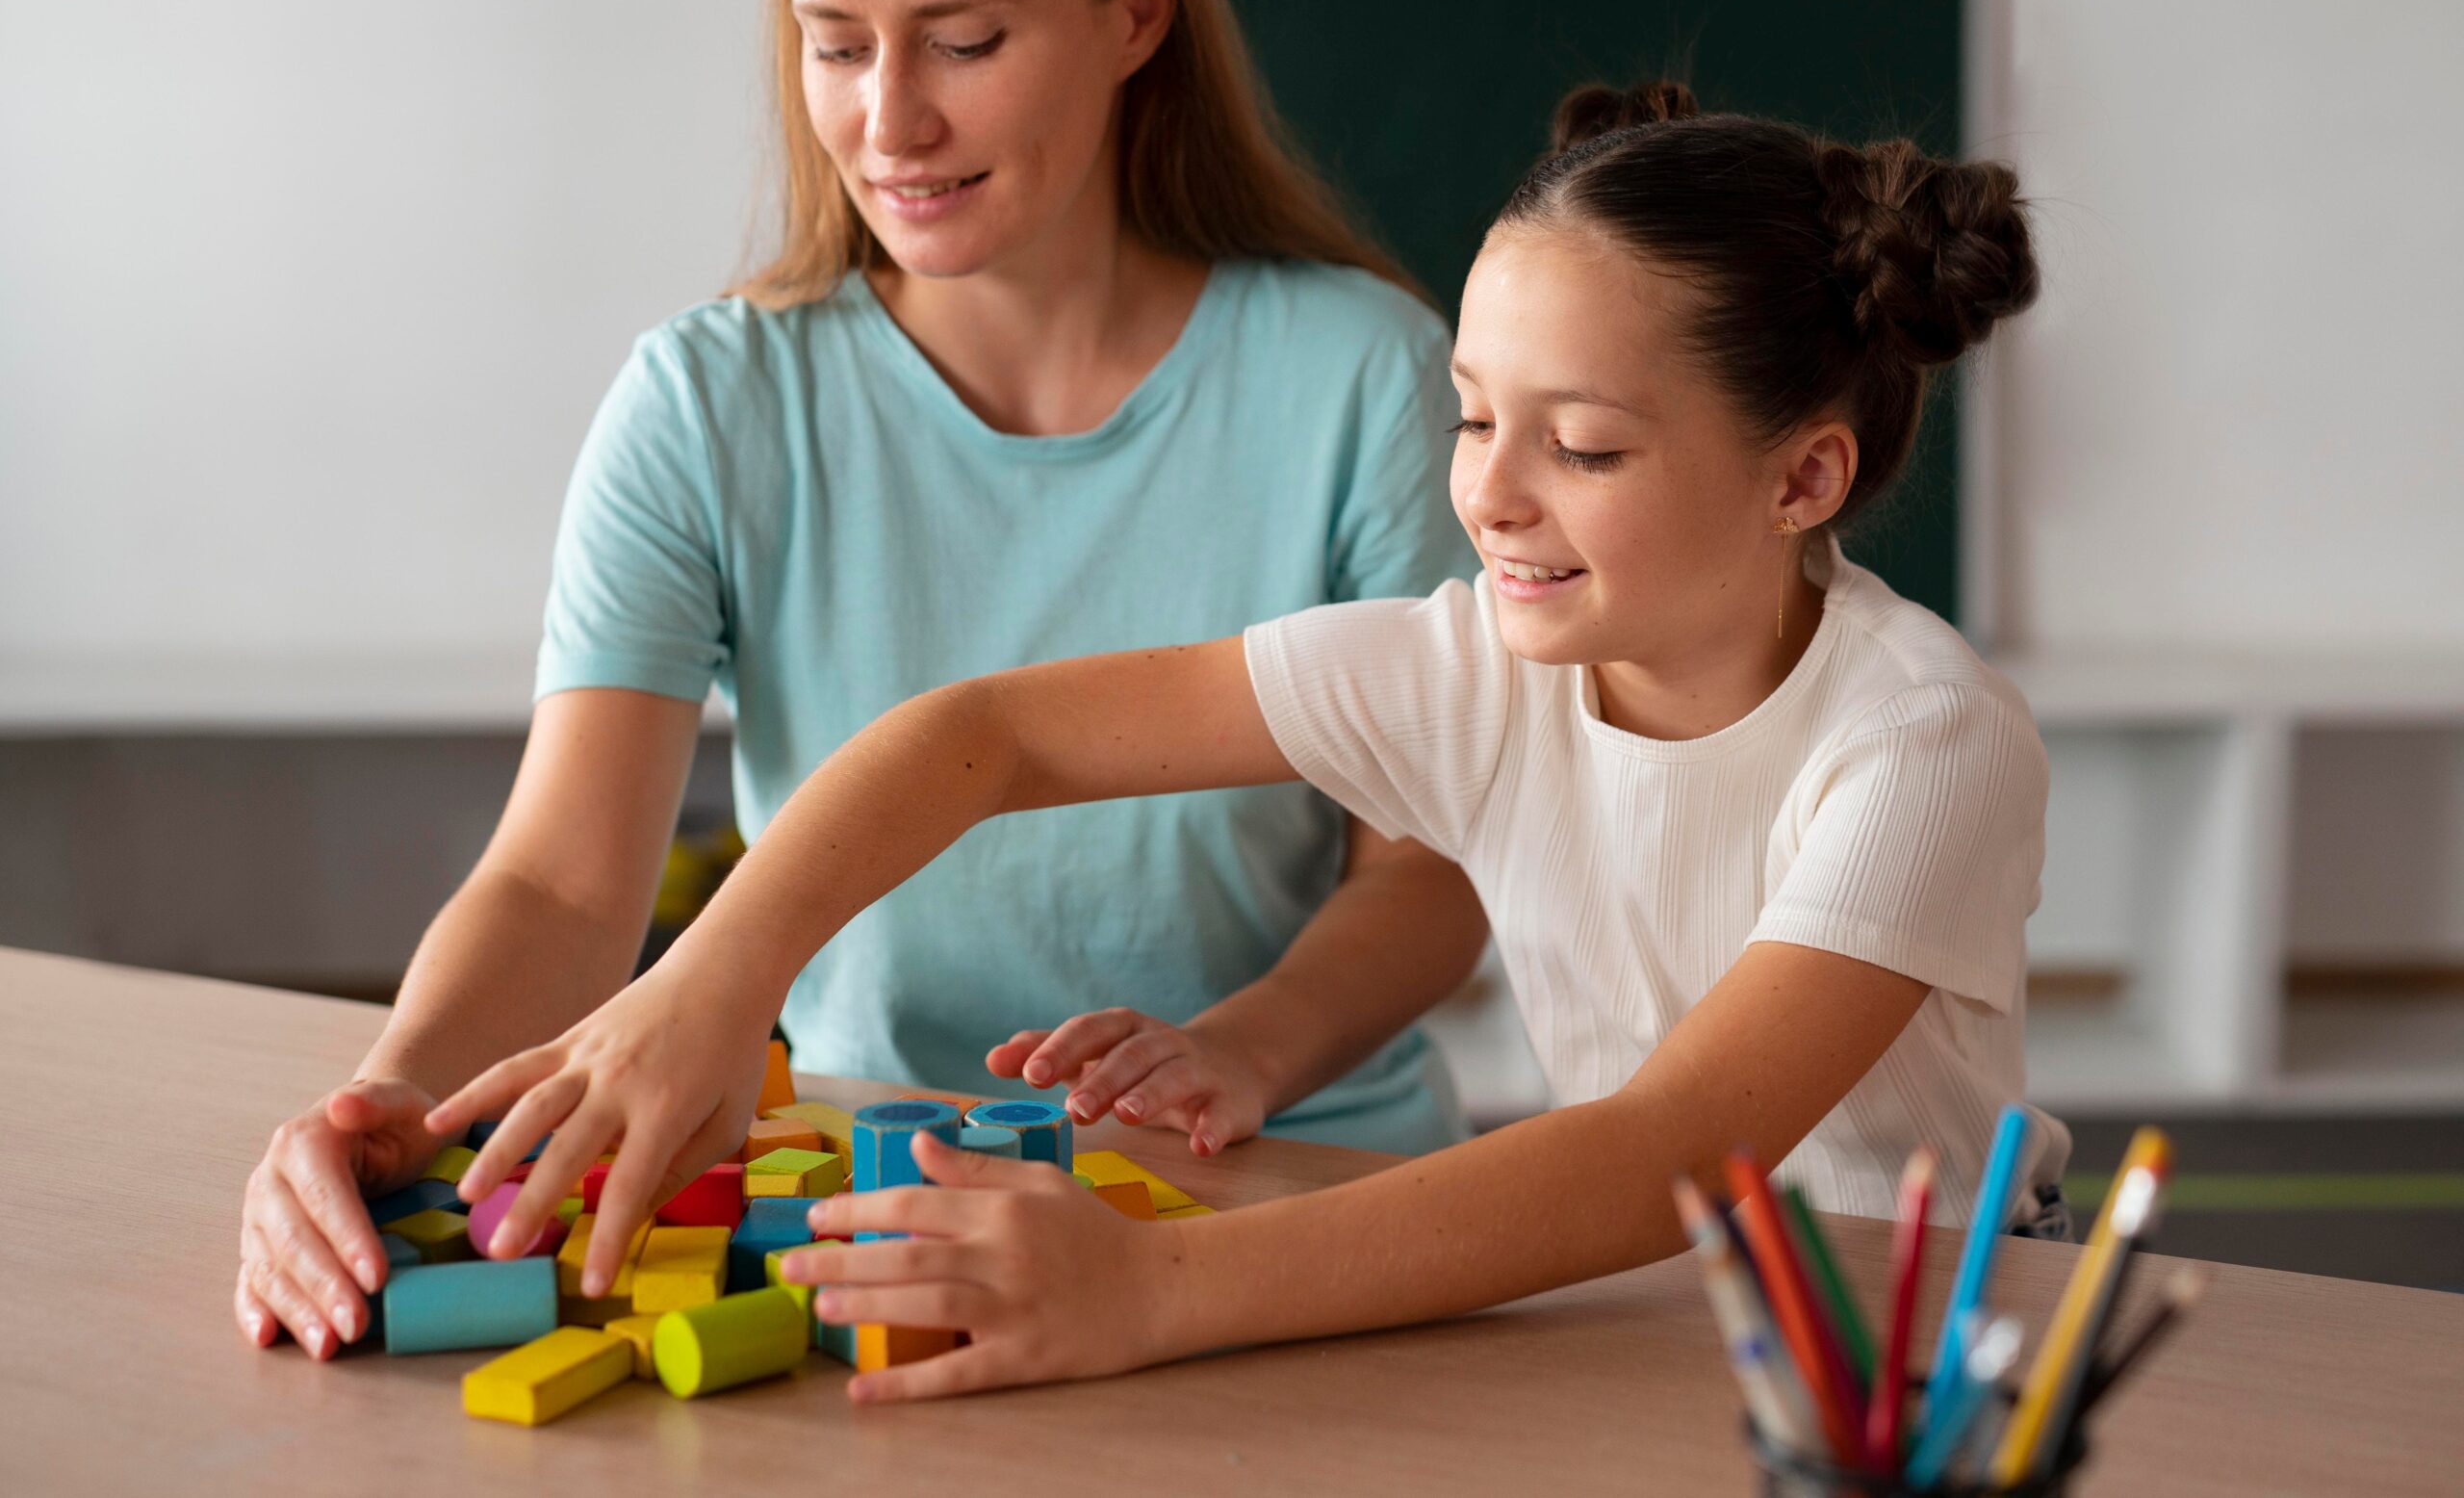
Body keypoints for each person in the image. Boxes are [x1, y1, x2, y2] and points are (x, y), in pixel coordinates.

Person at [434, 78, 2077, 1404]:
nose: (1489, 496)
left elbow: (1662, 1154)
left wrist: (1149, 1286)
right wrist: (710, 984)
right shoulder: (1475, 668)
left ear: (1804, 480)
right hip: (1663, 1307)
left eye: (1580, 447)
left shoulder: (1927, 740)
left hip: (1924, 1347)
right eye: (1474, 414)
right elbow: (987, 736)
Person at [232, 0, 1487, 1361]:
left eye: (963, 42)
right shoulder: (707, 403)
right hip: (873, 1209)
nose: (891, 122)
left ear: (1136, 12)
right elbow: (559, 883)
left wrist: (1231, 1056)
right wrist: (391, 1101)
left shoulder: (1360, 375)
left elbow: (1430, 871)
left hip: (1296, 1192)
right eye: (838, 44)